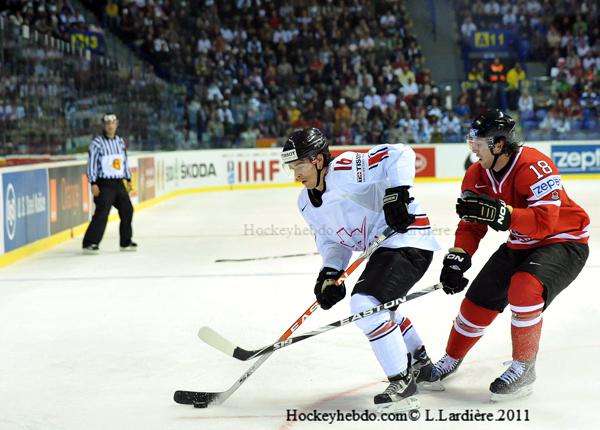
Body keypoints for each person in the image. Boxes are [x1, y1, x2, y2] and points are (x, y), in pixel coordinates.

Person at [427, 110, 589, 401]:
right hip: (520, 242)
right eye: (472, 142)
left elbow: (545, 223)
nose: (473, 149)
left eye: (479, 143)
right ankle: (451, 358)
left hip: (565, 241)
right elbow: (471, 223)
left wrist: (506, 214)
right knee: (477, 300)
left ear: (499, 144)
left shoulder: (535, 165)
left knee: (524, 288)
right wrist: (458, 257)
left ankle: (524, 367)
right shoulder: (475, 174)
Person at [281, 128, 441, 411]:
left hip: (408, 237)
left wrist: (398, 193)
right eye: (292, 167)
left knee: (365, 304)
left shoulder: (345, 169)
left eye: (300, 165)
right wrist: (330, 273)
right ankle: (421, 365)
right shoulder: (305, 203)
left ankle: (402, 381)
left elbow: (400, 153)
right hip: (385, 248)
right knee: (379, 309)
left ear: (319, 160)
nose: (296, 174)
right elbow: (332, 241)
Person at [82, 113, 137, 253]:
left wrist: (128, 178)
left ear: (116, 124)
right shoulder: (97, 143)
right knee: (102, 212)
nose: (110, 126)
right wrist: (93, 182)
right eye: (107, 123)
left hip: (118, 182)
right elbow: (92, 163)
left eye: (113, 123)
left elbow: (124, 161)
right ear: (104, 126)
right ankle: (90, 242)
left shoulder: (120, 142)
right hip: (104, 183)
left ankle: (125, 241)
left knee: (127, 209)